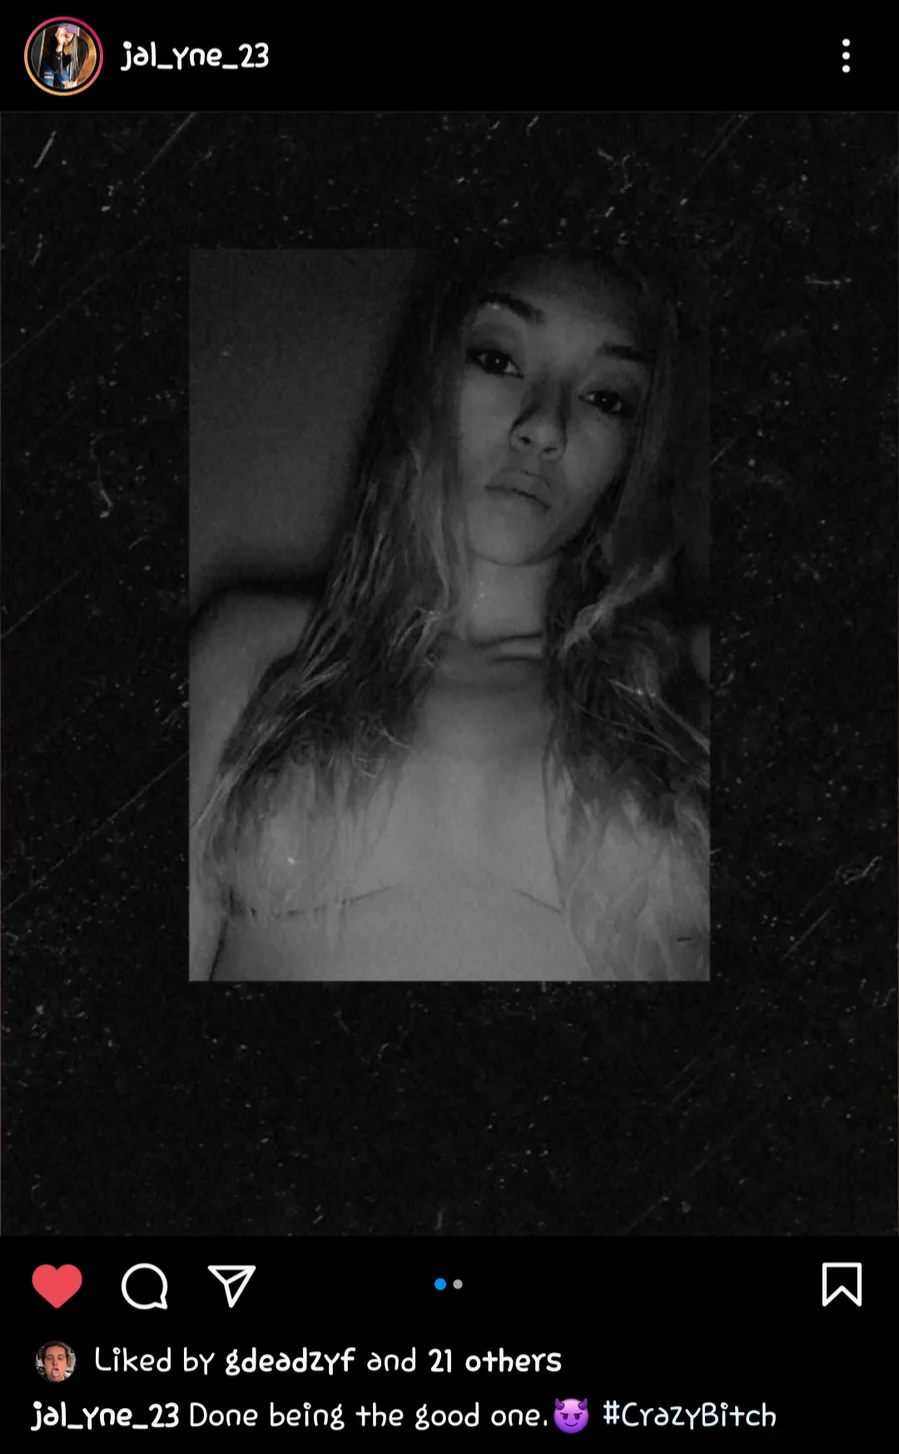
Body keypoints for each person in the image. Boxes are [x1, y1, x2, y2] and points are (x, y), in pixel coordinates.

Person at [190, 247, 709, 982]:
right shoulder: (251, 651)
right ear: (426, 381)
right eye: (498, 359)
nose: (544, 426)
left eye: (606, 398)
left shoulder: (695, 686)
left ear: (634, 453)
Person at [40, 24, 88, 89]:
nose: (63, 39)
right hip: (50, 65)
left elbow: (79, 65)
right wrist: (59, 45)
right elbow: (55, 67)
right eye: (61, 35)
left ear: (74, 35)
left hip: (62, 68)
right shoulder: (53, 40)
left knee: (67, 88)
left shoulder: (82, 45)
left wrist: (72, 81)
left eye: (67, 36)